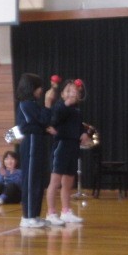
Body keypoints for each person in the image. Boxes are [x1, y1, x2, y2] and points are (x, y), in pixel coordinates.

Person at [45, 80, 91, 225]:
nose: (72, 93)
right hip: (61, 145)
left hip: (73, 146)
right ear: (63, 94)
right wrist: (65, 105)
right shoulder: (60, 106)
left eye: (75, 91)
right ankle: (51, 213)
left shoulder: (77, 110)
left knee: (68, 181)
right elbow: (54, 119)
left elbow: (79, 125)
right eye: (69, 90)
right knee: (55, 181)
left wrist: (83, 133)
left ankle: (66, 211)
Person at [16, 73, 55, 228]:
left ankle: (35, 215)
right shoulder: (26, 104)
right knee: (31, 179)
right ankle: (27, 216)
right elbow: (42, 121)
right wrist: (48, 103)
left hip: (37, 142)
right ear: (31, 88)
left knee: (38, 179)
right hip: (31, 143)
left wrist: (46, 129)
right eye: (39, 87)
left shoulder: (32, 104)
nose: (41, 90)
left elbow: (41, 123)